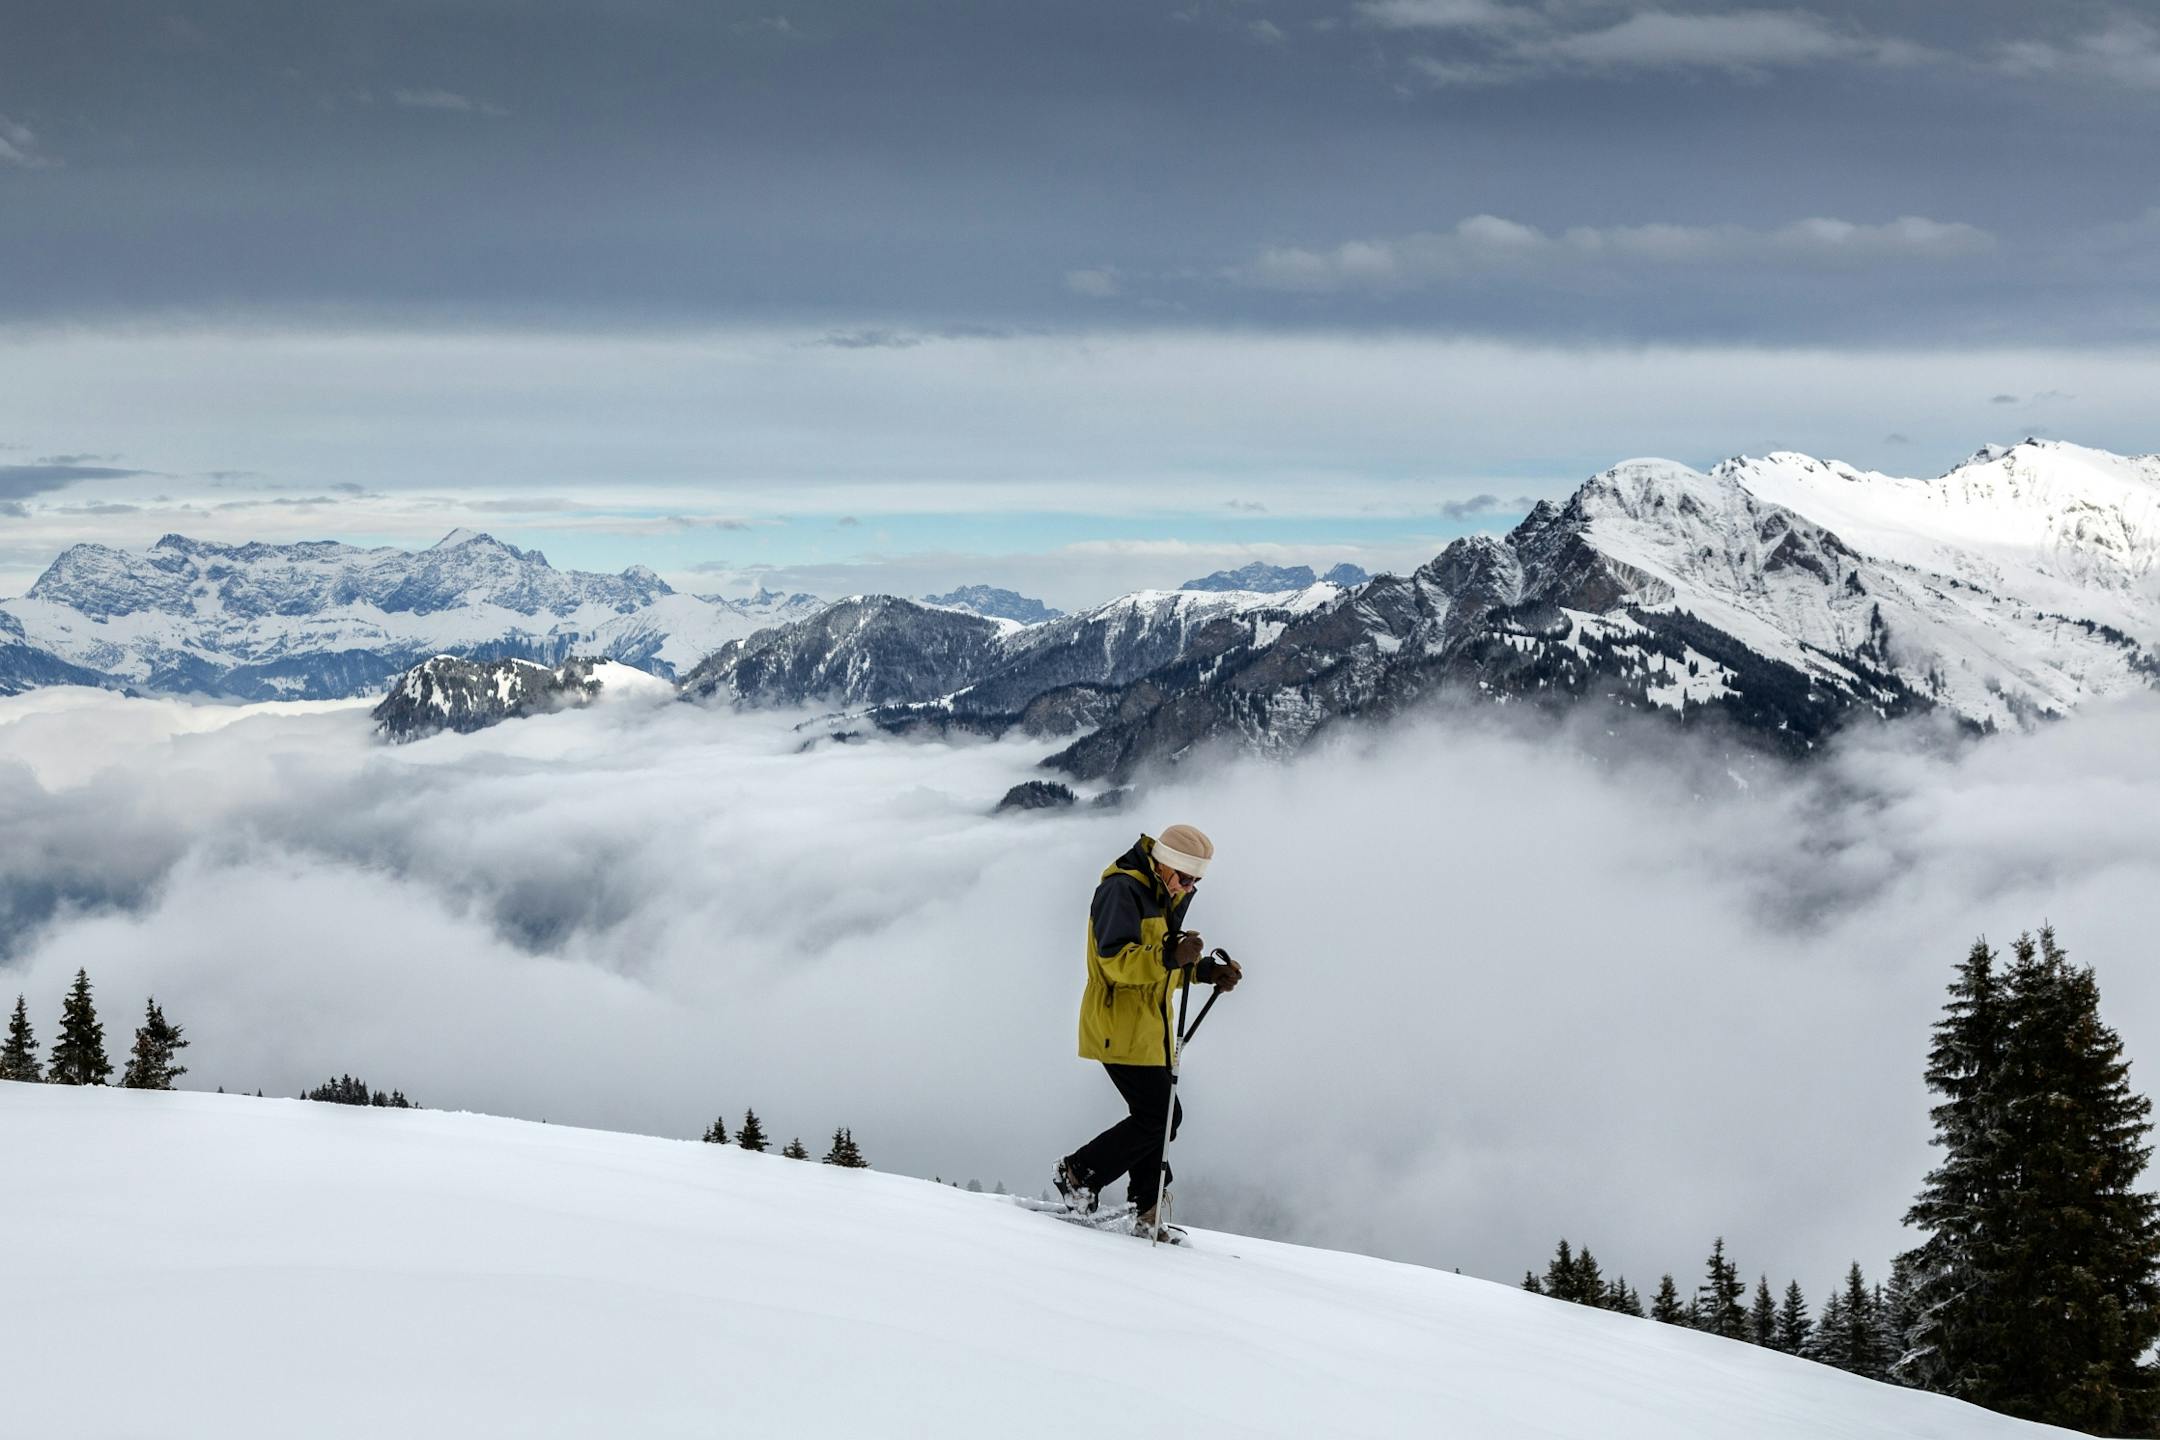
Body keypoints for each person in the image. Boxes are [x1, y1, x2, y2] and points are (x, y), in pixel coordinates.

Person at [1054, 824, 1242, 1238]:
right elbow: (1116, 962)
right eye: (1186, 878)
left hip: (1150, 1027)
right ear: (1164, 864)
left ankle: (1145, 1205)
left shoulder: (1165, 892)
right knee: (1161, 1114)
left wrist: (1206, 971)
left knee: (1159, 1116)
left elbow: (1164, 966)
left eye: (1197, 881)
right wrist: (1170, 954)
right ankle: (1079, 1174)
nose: (1189, 888)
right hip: (1117, 1024)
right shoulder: (1121, 890)